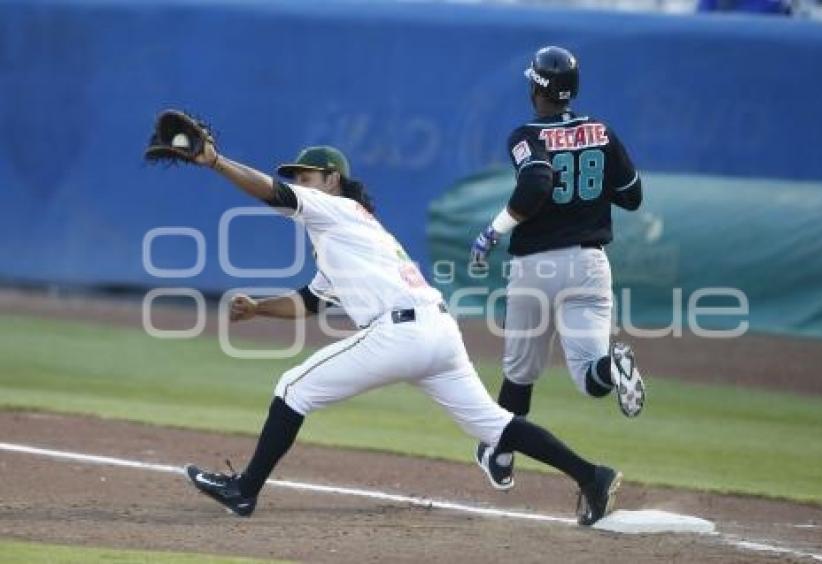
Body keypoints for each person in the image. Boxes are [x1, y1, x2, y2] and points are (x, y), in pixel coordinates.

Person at [163, 134, 621, 526]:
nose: (300, 182)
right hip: (438, 334)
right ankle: (591, 475)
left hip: (401, 333)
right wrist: (259, 309)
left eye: (307, 175)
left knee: (292, 387)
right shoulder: (343, 234)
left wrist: (216, 162)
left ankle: (244, 491)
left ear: (331, 180)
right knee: (493, 424)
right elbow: (311, 301)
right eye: (298, 176)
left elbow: (272, 193)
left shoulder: (333, 208)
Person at [470, 46, 645, 491]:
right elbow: (632, 196)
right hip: (590, 263)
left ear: (537, 88)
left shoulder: (525, 135)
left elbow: (537, 181)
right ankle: (614, 367)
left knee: (519, 374)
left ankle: (503, 454)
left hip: (536, 266)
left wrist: (493, 231)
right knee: (591, 378)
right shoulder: (601, 132)